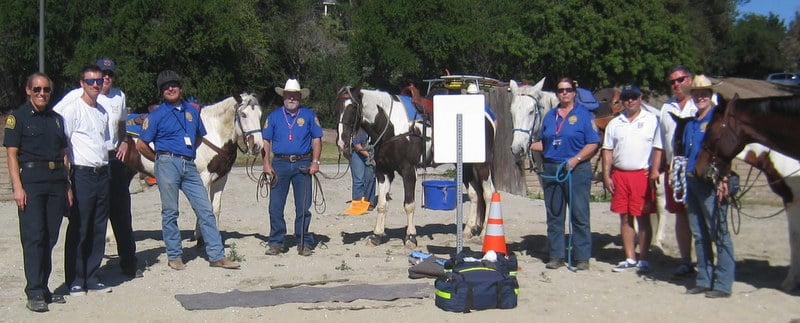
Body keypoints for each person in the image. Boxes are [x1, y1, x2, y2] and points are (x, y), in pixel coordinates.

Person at [135, 70, 240, 270]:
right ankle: (174, 255)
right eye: (166, 87)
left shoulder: (193, 113)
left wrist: (188, 151)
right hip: (167, 163)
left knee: (205, 209)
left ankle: (217, 255)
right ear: (161, 92)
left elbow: (200, 136)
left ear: (180, 88)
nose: (170, 89)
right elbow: (141, 144)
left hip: (189, 164)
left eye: (173, 85)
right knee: (170, 211)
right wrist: (158, 159)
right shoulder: (156, 115)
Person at [54, 58, 140, 278]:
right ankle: (80, 272)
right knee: (86, 217)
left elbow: (121, 124)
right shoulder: (76, 98)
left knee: (120, 212)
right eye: (101, 75)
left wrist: (124, 140)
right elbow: (58, 123)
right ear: (86, 81)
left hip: (113, 158)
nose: (105, 79)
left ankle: (129, 262)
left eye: (108, 75)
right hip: (86, 162)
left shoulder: (118, 97)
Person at [4, 73, 69, 312]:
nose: (42, 94)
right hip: (31, 182)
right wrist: (17, 187)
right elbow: (11, 154)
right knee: (34, 237)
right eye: (37, 89)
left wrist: (68, 185)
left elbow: (63, 153)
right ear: (28, 90)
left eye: (46, 90)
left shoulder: (57, 120)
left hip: (55, 182)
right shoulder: (18, 118)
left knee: (50, 237)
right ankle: (34, 292)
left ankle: (44, 287)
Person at [54, 65, 112, 296]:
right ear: (82, 83)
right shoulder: (73, 110)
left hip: (102, 172)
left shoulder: (102, 112)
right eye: (91, 81)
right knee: (80, 226)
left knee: (99, 227)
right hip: (82, 174)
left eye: (99, 81)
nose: (96, 85)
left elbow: (104, 143)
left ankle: (92, 275)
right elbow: (63, 145)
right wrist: (66, 178)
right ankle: (75, 278)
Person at [530, 77, 599, 270]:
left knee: (579, 214)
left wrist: (576, 159)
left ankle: (582, 257)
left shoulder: (584, 115)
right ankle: (556, 255)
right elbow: (546, 143)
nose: (564, 93)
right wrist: (526, 145)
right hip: (552, 168)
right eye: (560, 90)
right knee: (554, 214)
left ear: (574, 92)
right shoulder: (550, 116)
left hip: (576, 169)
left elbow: (593, 142)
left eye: (568, 90)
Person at [680, 75, 734, 298]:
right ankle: (704, 277)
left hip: (711, 181)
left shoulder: (718, 120)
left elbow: (728, 151)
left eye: (704, 93)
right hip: (692, 179)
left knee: (718, 232)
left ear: (711, 95)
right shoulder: (691, 123)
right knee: (699, 232)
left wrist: (724, 177)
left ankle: (723, 282)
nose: (700, 96)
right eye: (697, 93)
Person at [601, 84, 662, 274]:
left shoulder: (651, 120)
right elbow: (607, 151)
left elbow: (659, 147)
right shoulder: (615, 123)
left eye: (633, 97)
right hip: (620, 173)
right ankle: (629, 257)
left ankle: (644, 257)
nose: (630, 101)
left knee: (642, 217)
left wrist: (655, 170)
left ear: (640, 98)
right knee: (625, 217)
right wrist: (606, 174)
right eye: (626, 98)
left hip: (641, 173)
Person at [262, 78, 323, 257]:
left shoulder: (309, 115)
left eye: (295, 96)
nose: (291, 98)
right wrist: (266, 164)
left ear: (300, 97)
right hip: (279, 163)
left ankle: (303, 242)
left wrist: (316, 162)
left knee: (303, 206)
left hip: (303, 163)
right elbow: (266, 141)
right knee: (275, 205)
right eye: (288, 95)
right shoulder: (273, 116)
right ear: (284, 96)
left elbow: (316, 139)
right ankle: (276, 242)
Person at [658, 65, 697, 276]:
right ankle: (685, 260)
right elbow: (662, 142)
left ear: (689, 79)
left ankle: (706, 259)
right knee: (680, 215)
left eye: (680, 80)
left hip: (698, 168)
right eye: (672, 81)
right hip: (675, 169)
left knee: (701, 215)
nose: (676, 85)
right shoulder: (667, 108)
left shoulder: (702, 103)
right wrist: (658, 168)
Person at [343, 129, 376, 215]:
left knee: (371, 178)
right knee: (359, 179)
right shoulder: (359, 130)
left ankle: (368, 202)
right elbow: (357, 145)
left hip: (371, 153)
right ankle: (357, 203)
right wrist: (369, 156)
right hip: (358, 153)